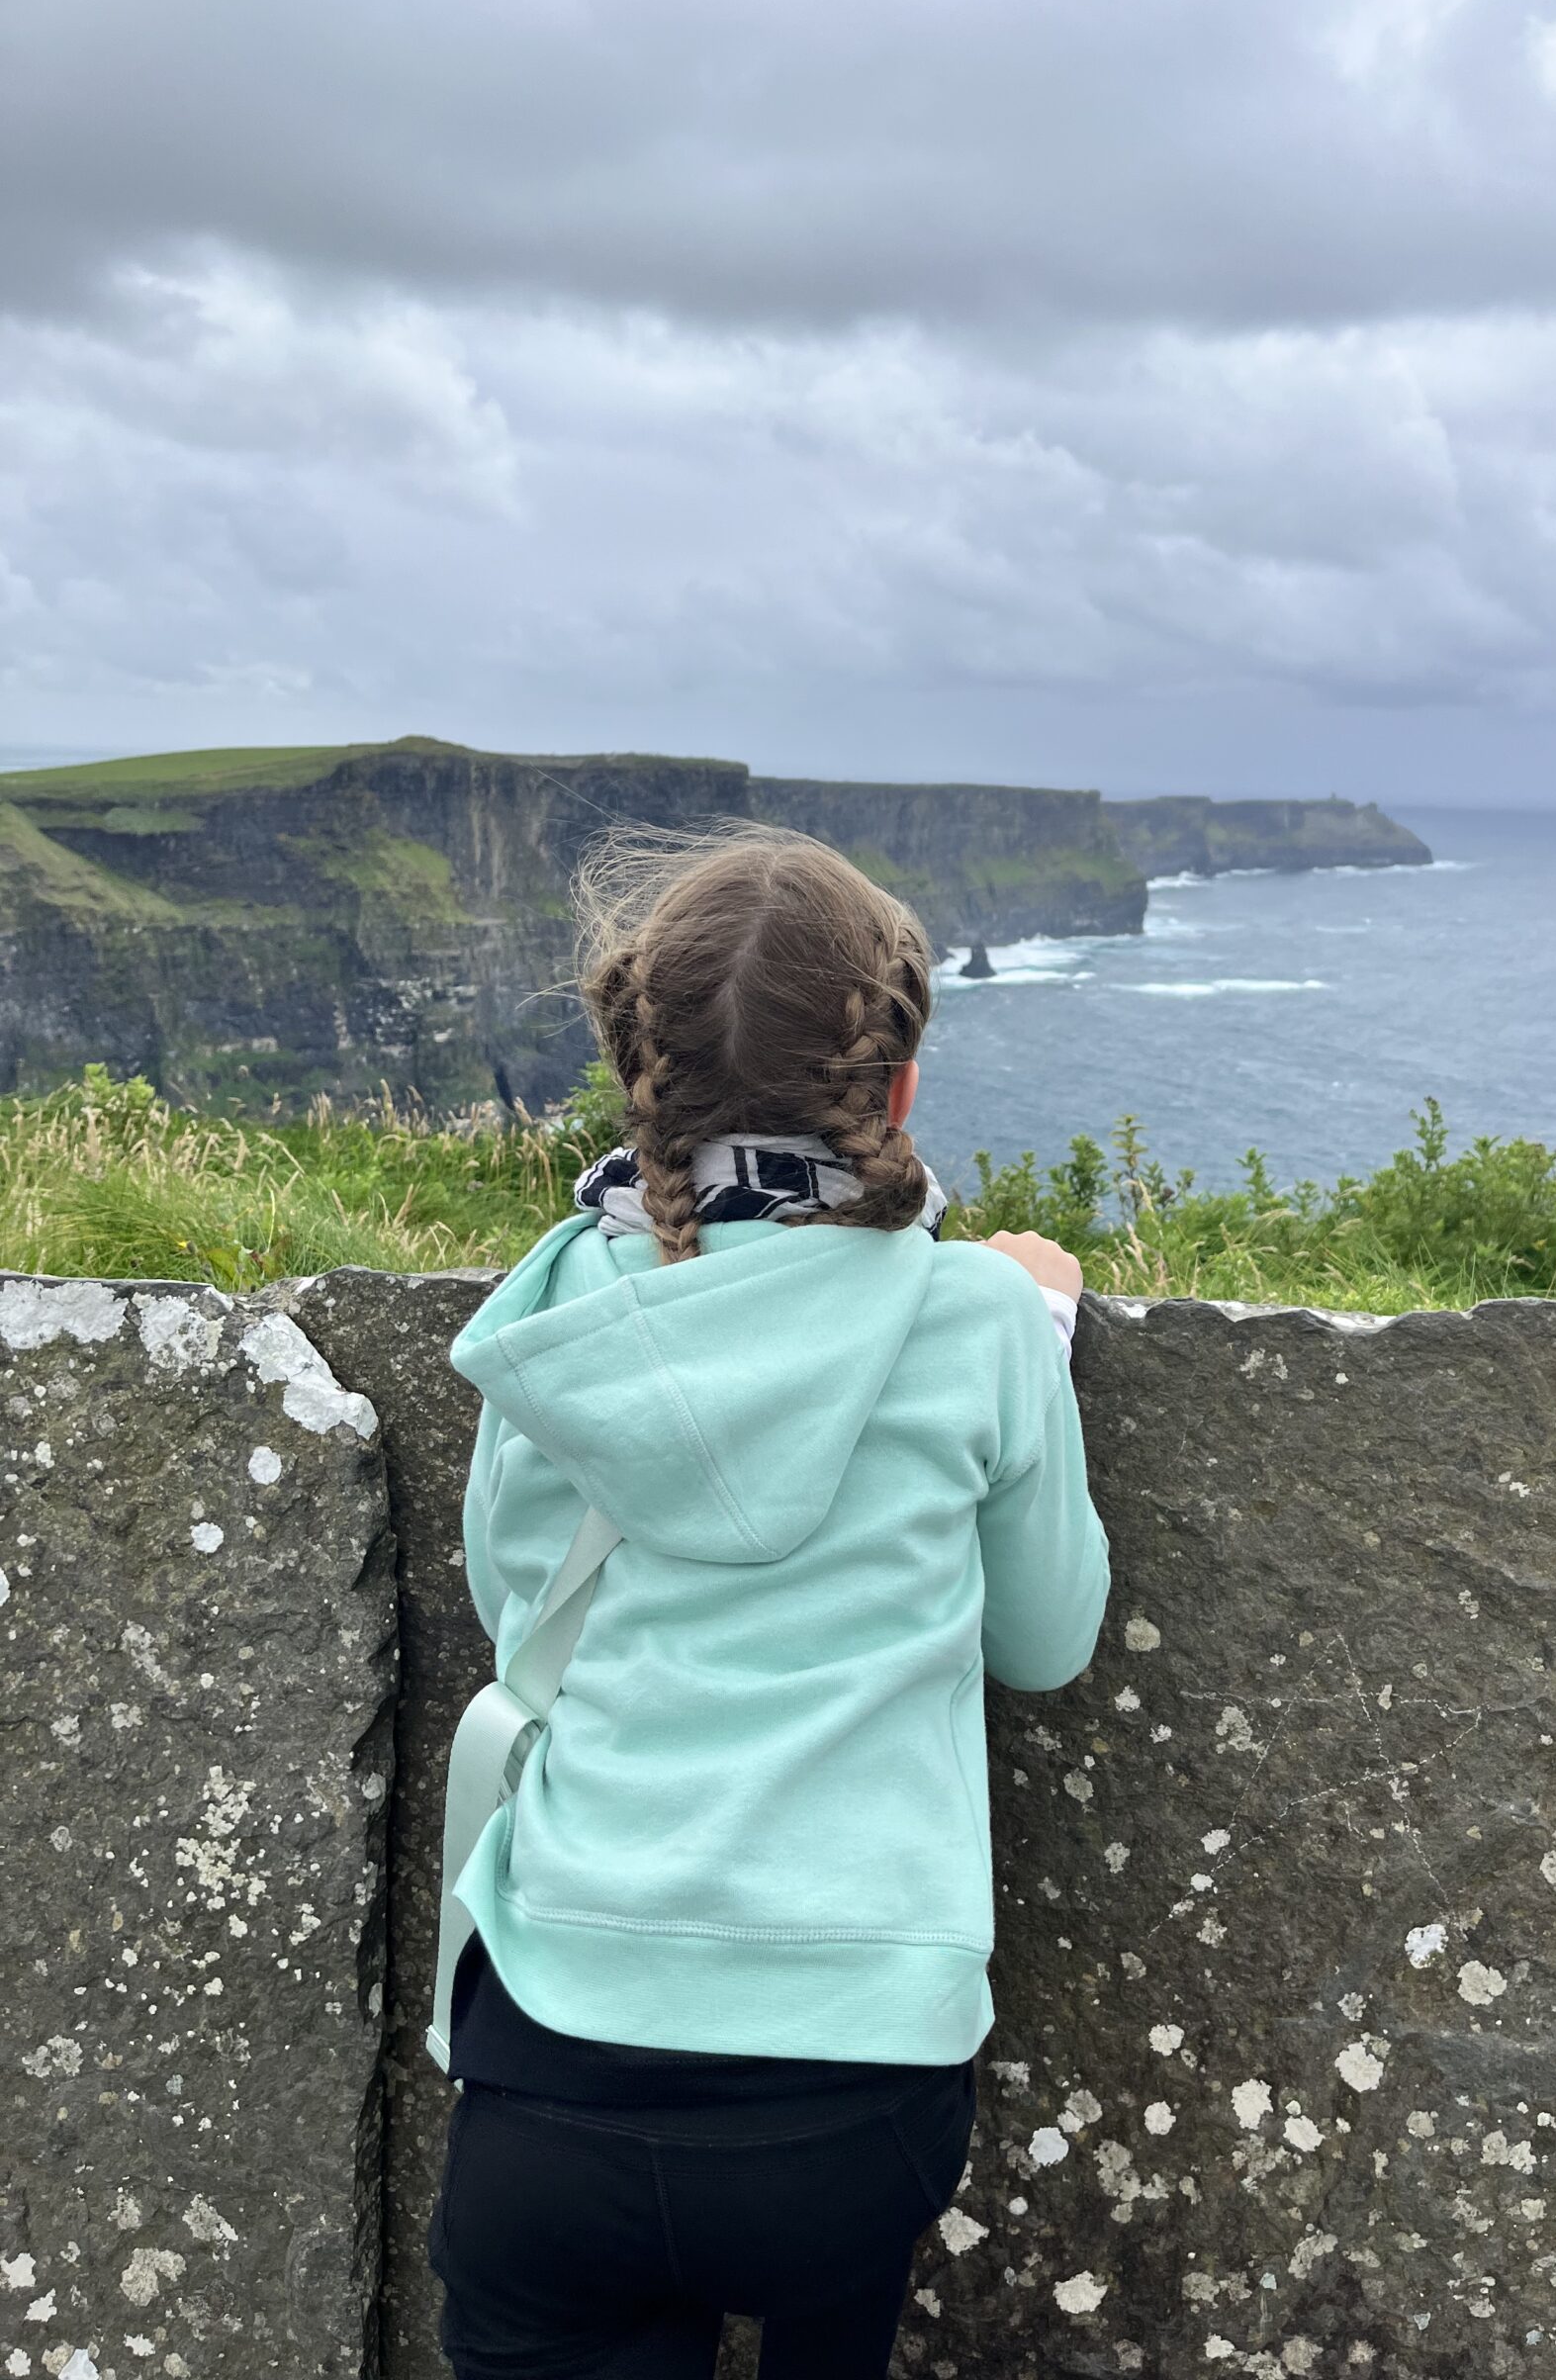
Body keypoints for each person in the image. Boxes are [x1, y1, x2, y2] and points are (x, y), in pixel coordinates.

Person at [425, 820, 1110, 2379]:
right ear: (896, 1090)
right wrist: (1041, 1335)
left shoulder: (559, 1312)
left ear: (640, 1079)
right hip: (851, 2093)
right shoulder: (979, 1321)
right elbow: (1046, 1640)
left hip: (558, 2061)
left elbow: (519, 1608)